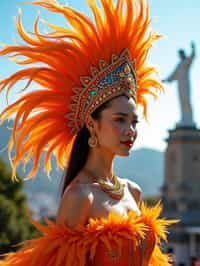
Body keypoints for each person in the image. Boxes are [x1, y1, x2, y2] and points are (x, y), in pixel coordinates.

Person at [0, 0, 177, 265]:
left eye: (134, 121)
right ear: (92, 124)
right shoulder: (80, 196)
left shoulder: (134, 191)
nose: (130, 130)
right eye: (119, 120)